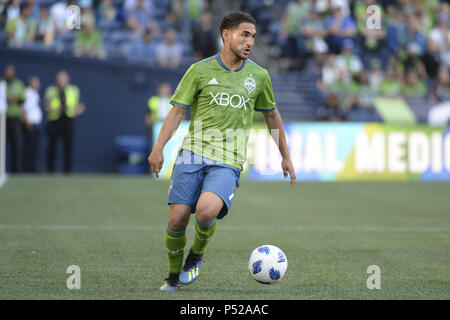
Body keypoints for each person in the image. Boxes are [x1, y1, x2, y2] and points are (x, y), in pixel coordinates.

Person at [148, 11, 296, 292]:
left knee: (205, 212)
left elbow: (272, 117)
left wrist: (285, 155)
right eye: (244, 34)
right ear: (226, 35)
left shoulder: (259, 76)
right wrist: (158, 149)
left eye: (253, 35)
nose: (250, 41)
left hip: (228, 159)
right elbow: (177, 112)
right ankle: (172, 276)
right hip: (192, 153)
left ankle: (197, 254)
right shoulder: (199, 70)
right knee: (177, 218)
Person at [45, 70, 85, 173]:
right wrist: (56, 109)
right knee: (52, 146)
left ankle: (67, 170)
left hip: (68, 120)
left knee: (68, 146)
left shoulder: (73, 90)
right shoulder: (51, 90)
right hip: (55, 120)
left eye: (63, 78)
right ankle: (51, 170)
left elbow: (81, 106)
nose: (61, 80)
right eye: (59, 78)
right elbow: (46, 105)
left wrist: (74, 111)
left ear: (67, 79)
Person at [3, 64, 25, 173]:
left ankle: (16, 169)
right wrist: (6, 99)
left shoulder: (19, 84)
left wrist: (14, 100)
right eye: (7, 72)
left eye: (10, 72)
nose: (9, 74)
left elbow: (22, 99)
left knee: (16, 144)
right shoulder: (1, 83)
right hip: (2, 118)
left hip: (15, 118)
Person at [22, 75, 42, 173]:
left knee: (34, 148)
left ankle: (31, 169)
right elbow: (24, 109)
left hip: (36, 125)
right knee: (29, 148)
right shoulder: (28, 93)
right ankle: (27, 169)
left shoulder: (35, 93)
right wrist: (27, 123)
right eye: (36, 82)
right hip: (30, 125)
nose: (38, 84)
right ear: (31, 83)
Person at [145, 83, 173, 152]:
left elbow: (180, 116)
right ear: (158, 90)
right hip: (156, 128)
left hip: (170, 129)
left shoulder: (174, 101)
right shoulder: (153, 100)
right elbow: (148, 116)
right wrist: (151, 126)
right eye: (163, 89)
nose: (164, 91)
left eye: (166, 89)